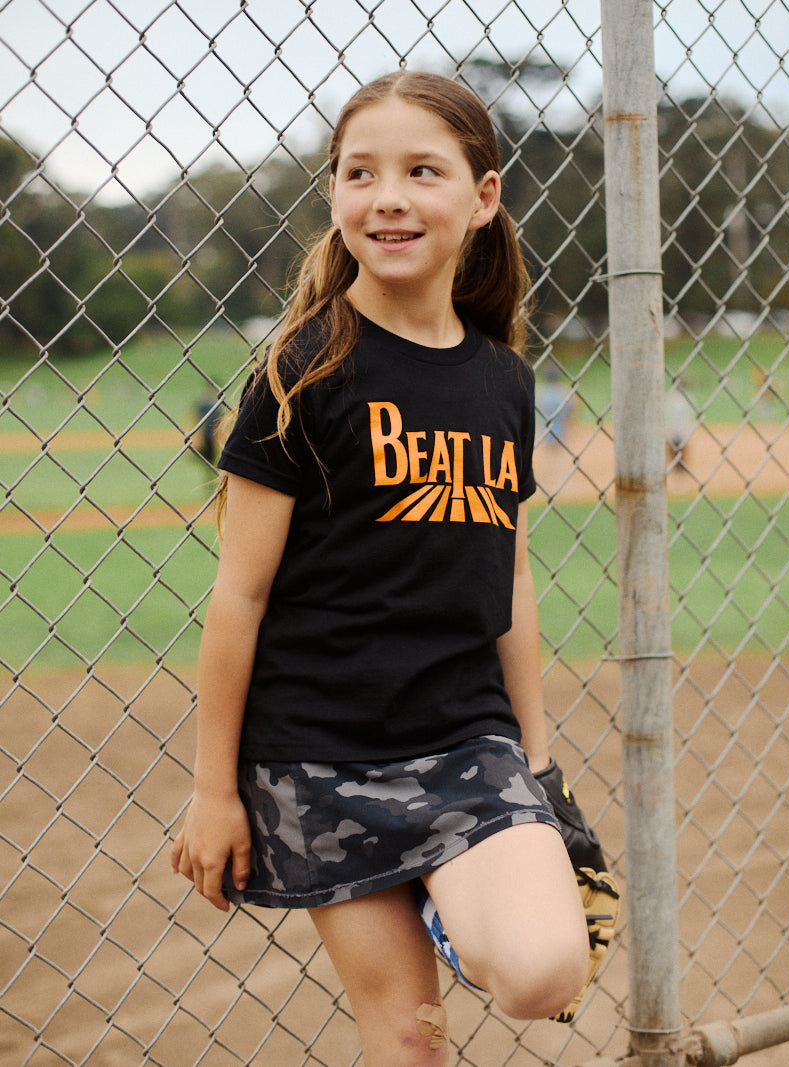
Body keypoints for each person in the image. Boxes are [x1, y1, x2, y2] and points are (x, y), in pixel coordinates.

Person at [171, 71, 615, 1066]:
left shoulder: (502, 379)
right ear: (334, 194)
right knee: (407, 1034)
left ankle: (464, 905)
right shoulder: (303, 366)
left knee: (545, 971)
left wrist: (535, 763)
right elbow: (237, 594)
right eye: (358, 173)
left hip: (464, 741)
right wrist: (213, 787)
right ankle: (444, 896)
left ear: (482, 197)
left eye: (422, 170)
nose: (387, 197)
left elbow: (507, 581)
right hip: (319, 751)